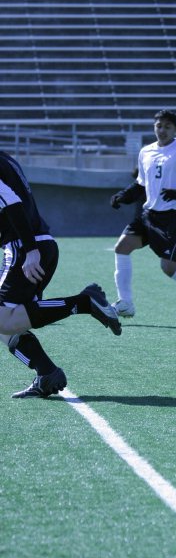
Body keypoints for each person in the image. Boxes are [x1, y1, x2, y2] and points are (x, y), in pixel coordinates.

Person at [0, 151, 122, 399]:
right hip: (31, 245)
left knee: (3, 319)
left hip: (25, 248)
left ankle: (84, 302)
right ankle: (47, 374)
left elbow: (12, 202)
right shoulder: (6, 158)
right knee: (9, 326)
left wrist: (30, 250)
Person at [110, 109, 176, 322]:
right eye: (159, 126)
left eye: (168, 126)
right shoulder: (146, 152)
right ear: (154, 127)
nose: (163, 130)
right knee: (122, 247)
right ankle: (126, 303)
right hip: (148, 214)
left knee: (168, 268)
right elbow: (141, 185)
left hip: (174, 217)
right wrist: (123, 196)